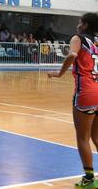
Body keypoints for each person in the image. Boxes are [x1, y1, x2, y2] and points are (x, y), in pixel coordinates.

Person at [47, 13, 98, 188]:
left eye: (80, 22)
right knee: (96, 136)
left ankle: (90, 179)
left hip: (86, 91)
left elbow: (72, 55)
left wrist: (59, 73)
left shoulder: (78, 38)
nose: (77, 24)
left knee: (82, 137)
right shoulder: (96, 42)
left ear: (85, 25)